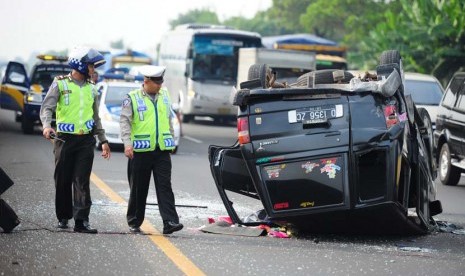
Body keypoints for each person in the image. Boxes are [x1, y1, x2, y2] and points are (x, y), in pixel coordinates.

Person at [40, 46, 111, 234]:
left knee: (82, 180)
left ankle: (81, 221)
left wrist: (103, 140)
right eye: (91, 66)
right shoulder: (60, 83)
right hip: (64, 140)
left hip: (85, 141)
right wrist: (47, 125)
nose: (93, 70)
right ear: (79, 65)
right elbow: (47, 107)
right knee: (63, 179)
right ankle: (63, 216)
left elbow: (95, 117)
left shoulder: (92, 88)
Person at [120, 65, 183, 234]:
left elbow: (168, 118)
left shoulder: (164, 95)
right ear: (146, 81)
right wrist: (127, 143)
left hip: (161, 150)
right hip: (140, 152)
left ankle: (170, 222)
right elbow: (125, 122)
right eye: (156, 82)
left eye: (161, 82)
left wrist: (170, 139)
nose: (160, 85)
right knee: (139, 188)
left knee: (165, 186)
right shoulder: (132, 98)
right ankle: (134, 220)